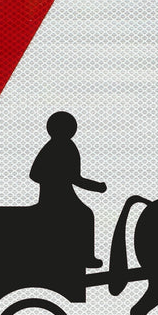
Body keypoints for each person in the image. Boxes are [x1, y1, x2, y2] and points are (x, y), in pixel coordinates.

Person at [30, 111, 106, 268]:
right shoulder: (67, 147)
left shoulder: (51, 147)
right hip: (59, 197)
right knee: (85, 215)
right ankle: (87, 257)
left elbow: (35, 174)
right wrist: (97, 187)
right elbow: (75, 178)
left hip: (54, 195)